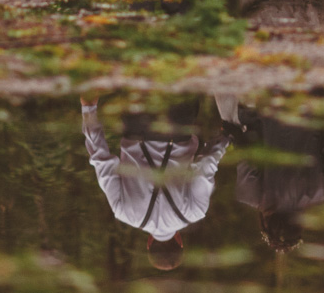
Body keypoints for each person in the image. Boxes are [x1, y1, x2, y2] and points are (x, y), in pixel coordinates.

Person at [80, 95, 232, 272]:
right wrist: (89, 108)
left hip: (180, 119)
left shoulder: (195, 212)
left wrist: (226, 137)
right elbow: (100, 159)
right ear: (149, 243)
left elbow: (205, 166)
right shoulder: (124, 212)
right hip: (136, 118)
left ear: (180, 241)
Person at [214, 95, 324, 255]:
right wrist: (229, 131)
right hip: (260, 110)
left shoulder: (320, 193)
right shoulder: (253, 196)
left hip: (306, 109)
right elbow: (246, 151)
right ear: (266, 224)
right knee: (230, 121)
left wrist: (312, 133)